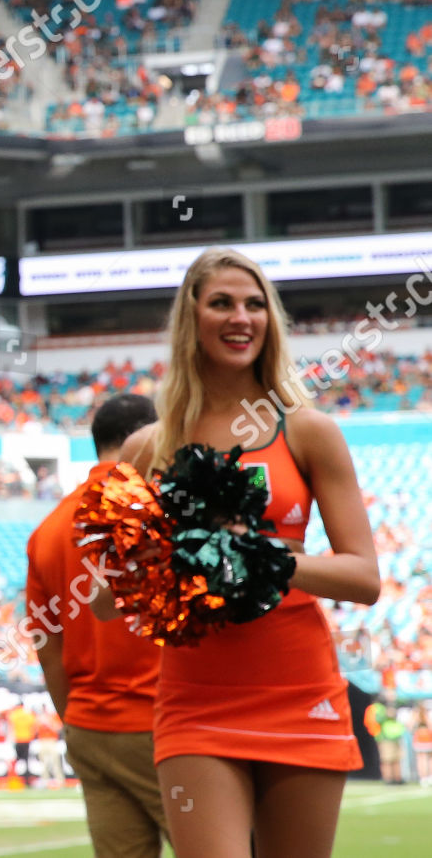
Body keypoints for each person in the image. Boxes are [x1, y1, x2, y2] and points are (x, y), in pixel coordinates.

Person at [102, 248, 380, 858]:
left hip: (300, 690)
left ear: (270, 321)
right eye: (222, 302)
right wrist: (156, 554)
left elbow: (365, 577)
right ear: (191, 317)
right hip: (194, 702)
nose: (241, 317)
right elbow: (101, 601)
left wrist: (263, 557)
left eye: (255, 305)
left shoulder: (309, 430)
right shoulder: (148, 448)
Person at [26, 393, 165, 857]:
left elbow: (46, 645)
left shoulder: (47, 530)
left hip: (91, 728)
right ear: (151, 435)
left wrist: (75, 719)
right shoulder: (157, 505)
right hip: (162, 726)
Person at [366, 692, 407, 784]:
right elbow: (377, 719)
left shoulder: (391, 705)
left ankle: (397, 778)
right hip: (385, 736)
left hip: (395, 736)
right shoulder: (377, 708)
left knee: (396, 758)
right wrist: (387, 714)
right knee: (387, 759)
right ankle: (388, 778)